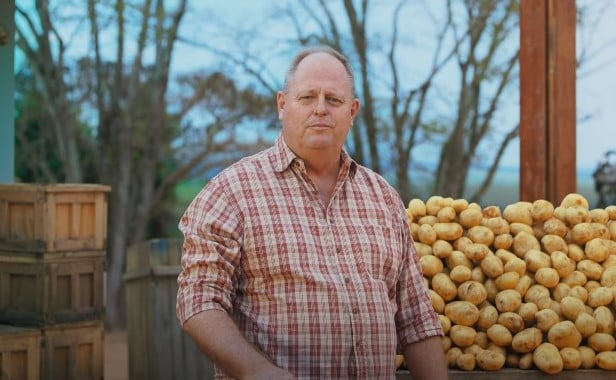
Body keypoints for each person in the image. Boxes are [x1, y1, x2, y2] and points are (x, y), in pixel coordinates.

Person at [176, 45, 448, 380]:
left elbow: (417, 321)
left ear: (352, 110)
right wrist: (256, 371)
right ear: (282, 105)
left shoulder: (384, 199)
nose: (320, 109)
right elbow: (199, 301)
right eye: (307, 97)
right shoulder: (230, 193)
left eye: (333, 100)